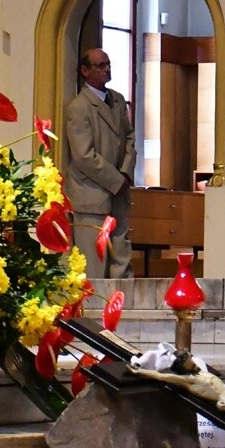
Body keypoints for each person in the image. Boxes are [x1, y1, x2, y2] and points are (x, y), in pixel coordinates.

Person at [63, 48, 136, 278]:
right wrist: (116, 180)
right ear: (85, 71)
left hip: (117, 192)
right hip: (91, 195)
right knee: (95, 264)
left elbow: (130, 138)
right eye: (100, 65)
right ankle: (94, 313)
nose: (107, 69)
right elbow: (83, 156)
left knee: (121, 258)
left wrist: (125, 173)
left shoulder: (117, 100)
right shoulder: (79, 107)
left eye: (108, 64)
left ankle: (123, 308)